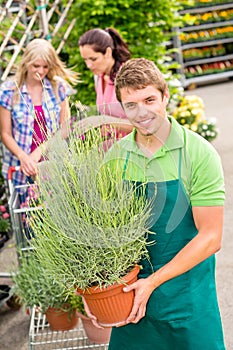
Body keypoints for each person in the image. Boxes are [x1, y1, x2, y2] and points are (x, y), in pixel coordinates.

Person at [91, 58, 226, 349]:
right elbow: (104, 234)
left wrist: (152, 282)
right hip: (131, 303)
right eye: (131, 105)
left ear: (165, 96)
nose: (142, 113)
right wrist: (93, 292)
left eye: (149, 99)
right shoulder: (116, 158)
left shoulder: (198, 154)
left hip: (188, 299)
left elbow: (211, 237)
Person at [0, 38, 78, 194]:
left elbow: (64, 128)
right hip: (21, 167)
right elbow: (5, 133)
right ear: (26, 63)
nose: (41, 71)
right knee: (25, 212)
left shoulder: (58, 88)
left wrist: (38, 153)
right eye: (36, 66)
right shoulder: (9, 91)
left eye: (45, 67)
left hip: (54, 165)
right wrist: (24, 157)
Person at [78, 27, 133, 140]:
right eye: (85, 60)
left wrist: (103, 120)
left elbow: (144, 126)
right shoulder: (98, 77)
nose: (88, 65)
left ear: (108, 52)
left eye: (93, 59)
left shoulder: (128, 77)